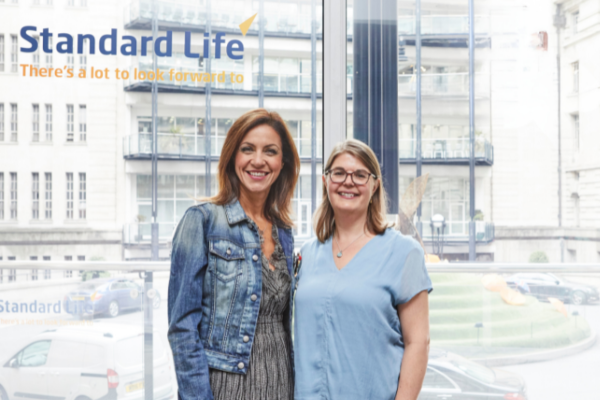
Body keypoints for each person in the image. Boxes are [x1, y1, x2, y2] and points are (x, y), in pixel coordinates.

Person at [168, 109, 301, 400]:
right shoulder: (202, 221)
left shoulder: (285, 233)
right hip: (226, 387)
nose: (258, 160)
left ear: (282, 163)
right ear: (232, 157)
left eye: (270, 151)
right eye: (247, 149)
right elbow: (182, 329)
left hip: (282, 383)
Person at [294, 139, 433, 400]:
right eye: (339, 173)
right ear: (326, 182)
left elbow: (419, 343)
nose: (348, 181)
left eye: (360, 175)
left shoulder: (404, 253)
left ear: (374, 185)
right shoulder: (307, 254)